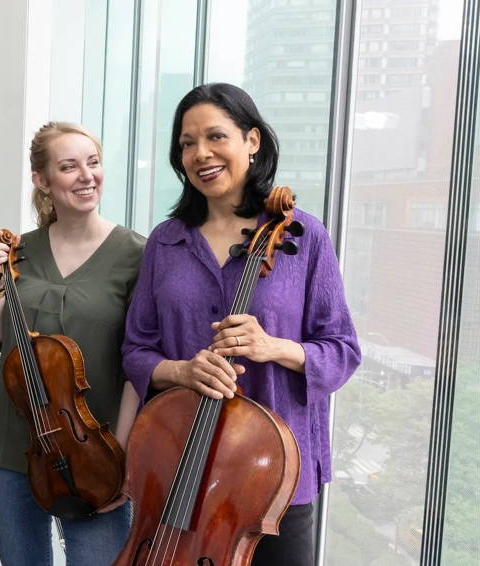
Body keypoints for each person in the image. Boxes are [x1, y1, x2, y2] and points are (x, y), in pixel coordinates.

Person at [121, 83, 361, 565]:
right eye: (187, 143)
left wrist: (274, 347)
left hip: (271, 479)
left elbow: (341, 350)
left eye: (215, 137)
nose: (200, 154)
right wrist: (183, 371)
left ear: (252, 141)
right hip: (180, 467)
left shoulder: (302, 235)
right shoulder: (166, 242)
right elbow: (136, 349)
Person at [0, 121, 146, 566]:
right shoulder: (19, 250)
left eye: (93, 163)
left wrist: (121, 456)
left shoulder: (138, 255)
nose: (86, 176)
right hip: (11, 447)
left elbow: (138, 366)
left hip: (93, 452)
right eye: (69, 167)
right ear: (43, 181)